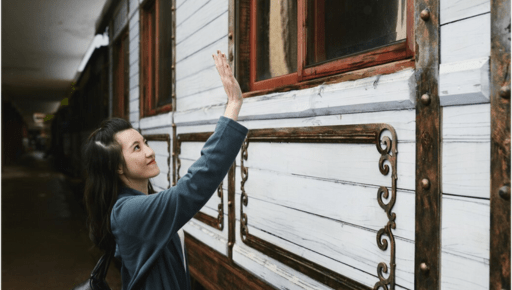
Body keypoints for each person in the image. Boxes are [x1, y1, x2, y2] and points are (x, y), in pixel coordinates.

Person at [82, 50, 247, 289]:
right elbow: (191, 188)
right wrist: (233, 104)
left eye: (145, 142)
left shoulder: (137, 203)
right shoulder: (128, 212)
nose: (149, 151)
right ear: (117, 166)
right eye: (136, 148)